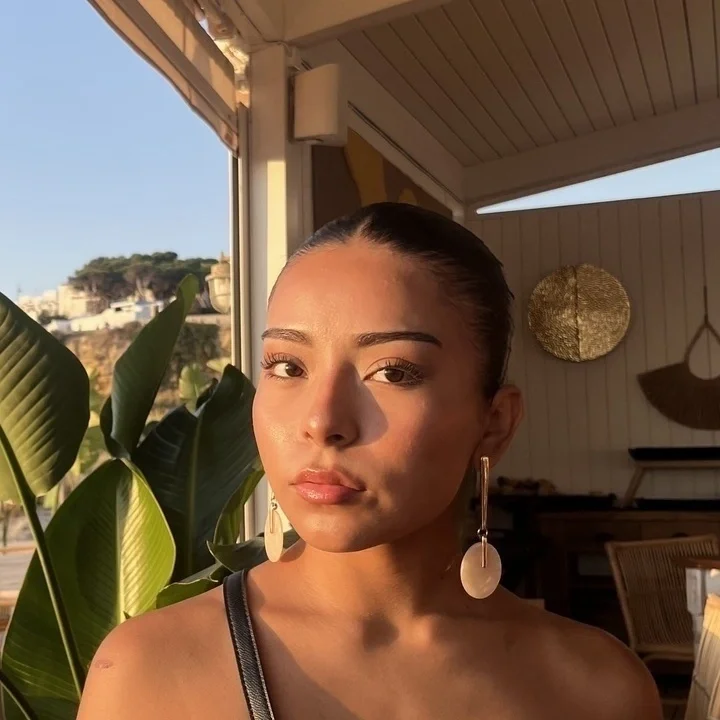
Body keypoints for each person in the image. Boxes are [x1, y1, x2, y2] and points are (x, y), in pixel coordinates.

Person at [78, 203, 663, 719]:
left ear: (495, 423)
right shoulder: (146, 674)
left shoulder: (599, 691)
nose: (322, 420)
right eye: (288, 366)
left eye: (393, 372)